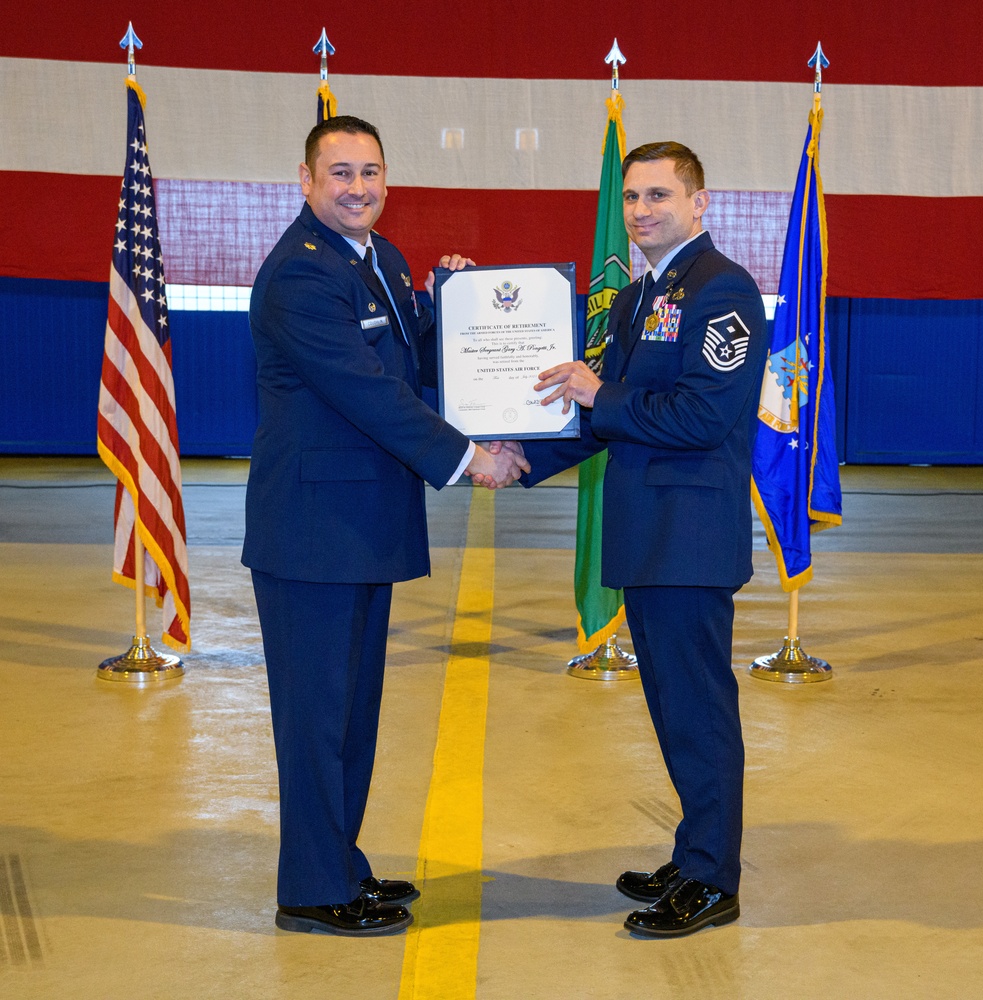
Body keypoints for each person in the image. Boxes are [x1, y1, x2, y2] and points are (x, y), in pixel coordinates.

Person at [242, 115, 526, 936]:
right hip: (313, 533)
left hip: (360, 527)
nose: (357, 187)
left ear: (387, 179)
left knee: (350, 718)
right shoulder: (300, 276)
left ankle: (341, 865)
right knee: (316, 720)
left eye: (370, 172)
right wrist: (471, 457)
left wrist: (449, 310)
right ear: (305, 181)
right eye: (339, 174)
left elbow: (404, 361)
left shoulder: (381, 259)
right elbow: (367, 392)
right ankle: (311, 889)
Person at [507, 141, 767, 937]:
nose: (642, 210)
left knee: (698, 710)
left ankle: (713, 880)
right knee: (673, 708)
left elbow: (701, 415)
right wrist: (514, 457)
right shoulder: (638, 297)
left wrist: (601, 390)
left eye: (659, 194)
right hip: (650, 537)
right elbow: (595, 416)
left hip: (687, 541)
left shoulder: (722, 293)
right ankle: (695, 854)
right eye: (631, 197)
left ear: (700, 202)